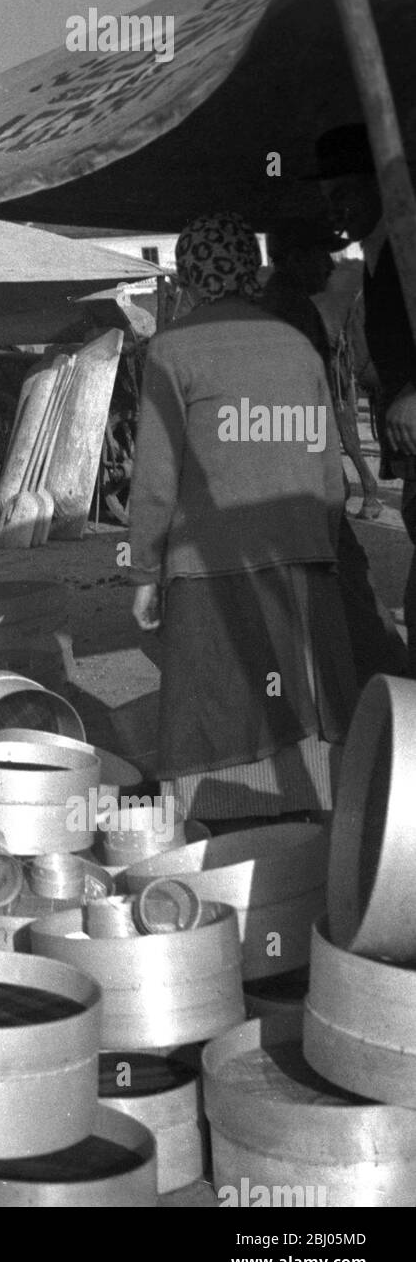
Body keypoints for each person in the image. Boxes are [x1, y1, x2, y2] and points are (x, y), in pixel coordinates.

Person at [128, 213, 358, 827]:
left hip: (211, 558)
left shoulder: (172, 349)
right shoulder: (295, 343)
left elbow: (155, 477)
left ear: (185, 274)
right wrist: (325, 539)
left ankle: (224, 823)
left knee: (217, 700)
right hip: (302, 547)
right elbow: (326, 457)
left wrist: (145, 570)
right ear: (249, 268)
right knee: (303, 693)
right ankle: (306, 816)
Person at [261, 234, 406, 682]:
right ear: (291, 255)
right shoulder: (288, 312)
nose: (328, 265)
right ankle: (390, 686)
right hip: (302, 477)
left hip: (298, 473)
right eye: (318, 253)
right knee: (346, 585)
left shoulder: (290, 304)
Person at [313, 123, 416, 670]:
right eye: (328, 199)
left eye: (345, 195)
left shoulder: (408, 249)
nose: (336, 211)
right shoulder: (375, 260)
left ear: (382, 185)